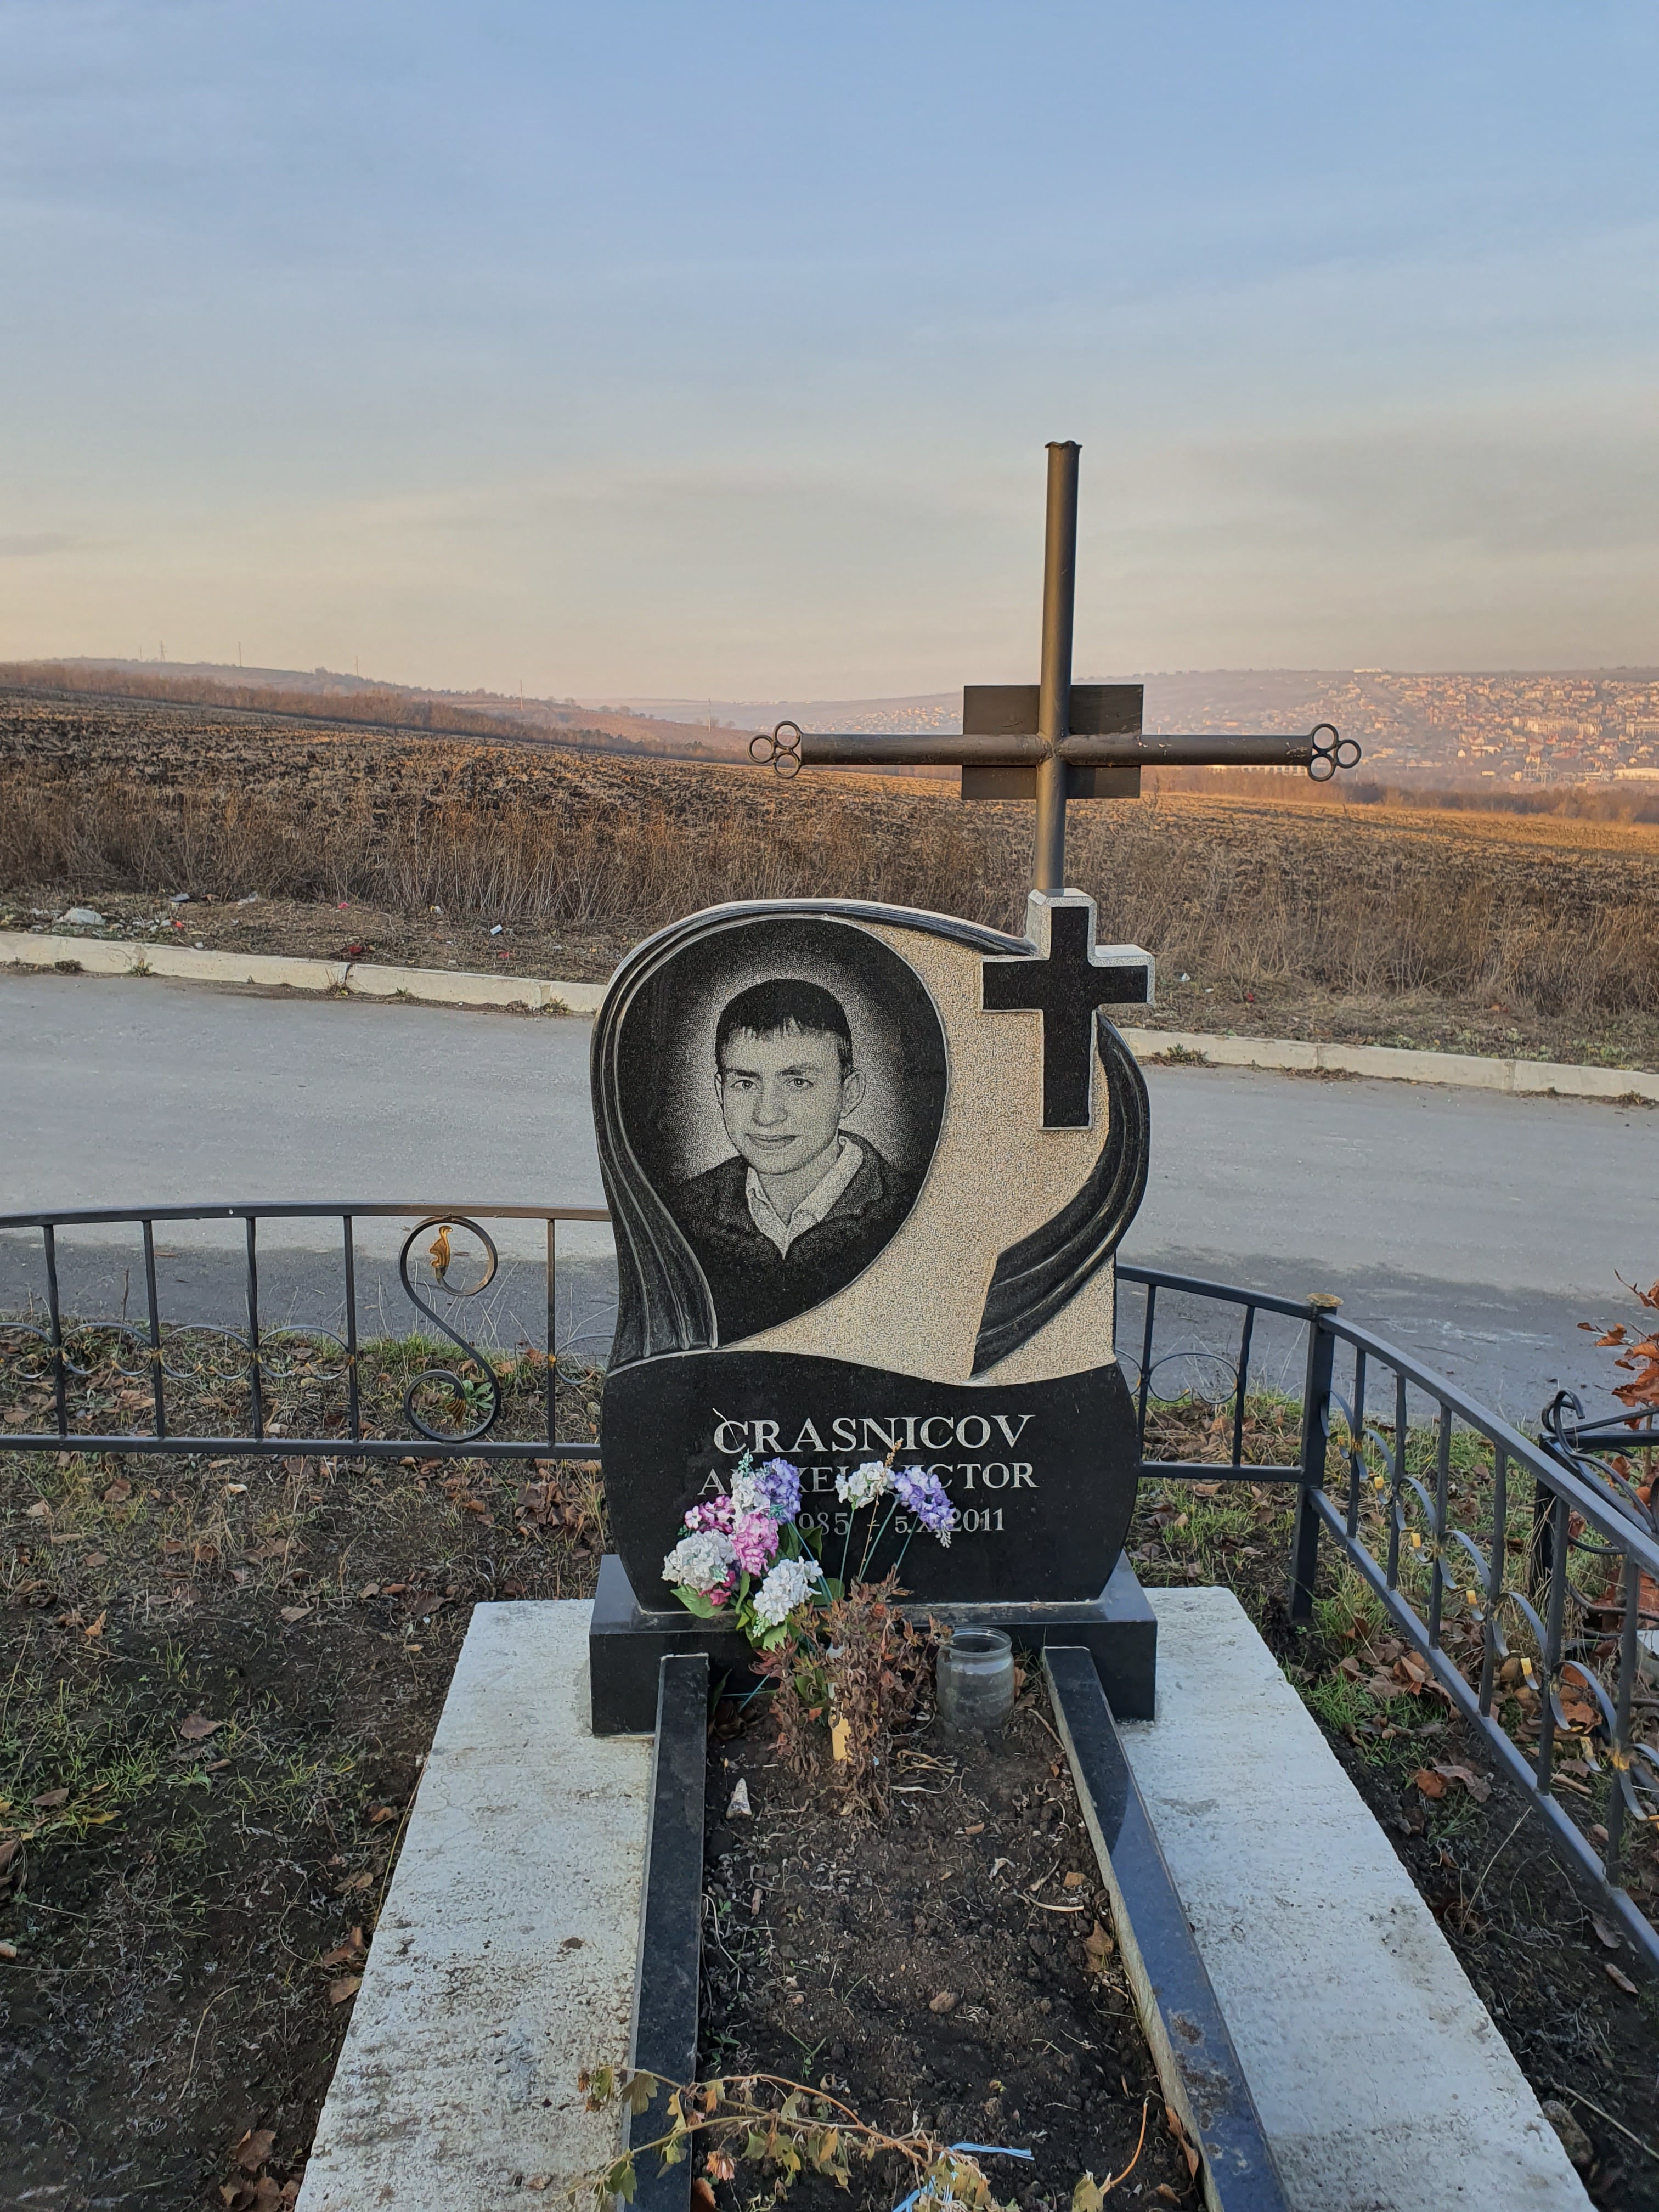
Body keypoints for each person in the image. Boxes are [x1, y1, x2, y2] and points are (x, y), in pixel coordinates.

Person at [672, 977, 919, 1342]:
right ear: (720, 1092)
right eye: (745, 1084)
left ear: (849, 1093)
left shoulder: (909, 1207)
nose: (766, 1115)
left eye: (798, 1083)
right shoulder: (684, 1210)